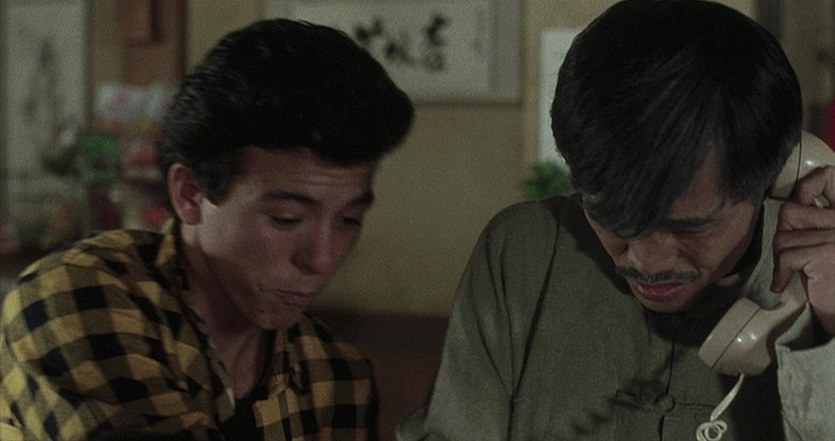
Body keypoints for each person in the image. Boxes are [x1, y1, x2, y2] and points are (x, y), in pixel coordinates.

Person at [396, 1, 835, 440]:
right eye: (609, 215)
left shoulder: (820, 273)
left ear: (776, 173)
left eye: (689, 226)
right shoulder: (524, 253)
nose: (645, 260)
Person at [1, 18, 413, 440]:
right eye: (286, 218)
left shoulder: (336, 378)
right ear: (190, 193)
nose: (321, 259)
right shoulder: (76, 297)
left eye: (349, 220)